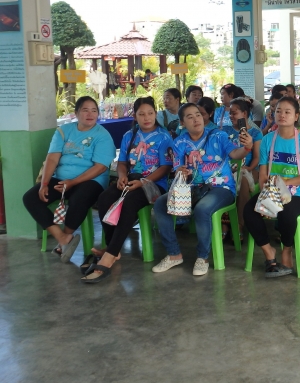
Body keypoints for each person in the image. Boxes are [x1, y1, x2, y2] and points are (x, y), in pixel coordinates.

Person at [152, 103, 252, 276]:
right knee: (161, 203)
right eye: (189, 117)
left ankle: (202, 257)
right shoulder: (180, 142)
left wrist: (247, 147)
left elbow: (236, 154)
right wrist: (181, 170)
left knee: (202, 209)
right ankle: (174, 254)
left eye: (198, 115)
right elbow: (177, 168)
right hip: (193, 188)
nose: (196, 119)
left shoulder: (218, 136)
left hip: (221, 187)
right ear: (182, 122)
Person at [86, 97, 174, 283]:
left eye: (150, 113)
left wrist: (143, 182)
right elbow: (122, 162)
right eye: (141, 114)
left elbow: (166, 167)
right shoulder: (129, 135)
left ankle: (109, 256)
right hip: (131, 180)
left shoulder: (163, 136)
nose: (146, 117)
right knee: (104, 199)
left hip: (154, 184)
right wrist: (121, 176)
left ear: (155, 114)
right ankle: (113, 248)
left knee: (129, 202)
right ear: (135, 116)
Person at [23, 97, 116, 263]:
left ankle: (66, 237)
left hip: (91, 180)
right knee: (30, 198)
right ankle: (63, 238)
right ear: (76, 113)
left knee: (79, 197)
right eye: (85, 110)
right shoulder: (64, 131)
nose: (90, 114)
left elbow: (100, 167)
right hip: (61, 179)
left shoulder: (103, 135)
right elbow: (52, 158)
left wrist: (73, 183)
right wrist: (44, 183)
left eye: (94, 110)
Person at [243, 97, 300, 277]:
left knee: (287, 211)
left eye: (287, 112)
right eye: (278, 111)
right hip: (272, 190)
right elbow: (263, 173)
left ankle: (287, 249)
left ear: (296, 116)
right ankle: (268, 251)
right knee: (249, 210)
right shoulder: (267, 140)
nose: (282, 115)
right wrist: (267, 194)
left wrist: (286, 183)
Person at [222, 98, 263, 235]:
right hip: (228, 168)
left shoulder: (255, 133)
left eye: (234, 113)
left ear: (244, 113)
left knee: (243, 181)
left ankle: (240, 224)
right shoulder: (224, 131)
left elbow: (257, 157)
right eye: (230, 113)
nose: (231, 116)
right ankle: (225, 223)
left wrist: (249, 168)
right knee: (222, 182)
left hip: (250, 169)